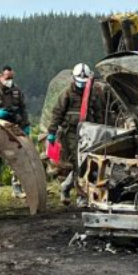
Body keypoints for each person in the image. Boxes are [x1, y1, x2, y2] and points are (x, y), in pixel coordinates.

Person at [45, 62, 107, 205]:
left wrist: (101, 130)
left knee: (88, 162)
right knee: (78, 163)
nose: (81, 85)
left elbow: (98, 113)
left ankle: (66, 186)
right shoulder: (67, 93)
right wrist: (52, 132)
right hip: (71, 133)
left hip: (90, 132)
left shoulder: (93, 93)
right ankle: (81, 196)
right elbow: (57, 113)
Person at [0, 65, 29, 197]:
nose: (10, 80)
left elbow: (23, 108)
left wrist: (26, 125)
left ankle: (17, 188)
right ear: (1, 76)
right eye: (8, 78)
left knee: (16, 157)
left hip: (13, 128)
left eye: (12, 78)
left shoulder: (16, 90)